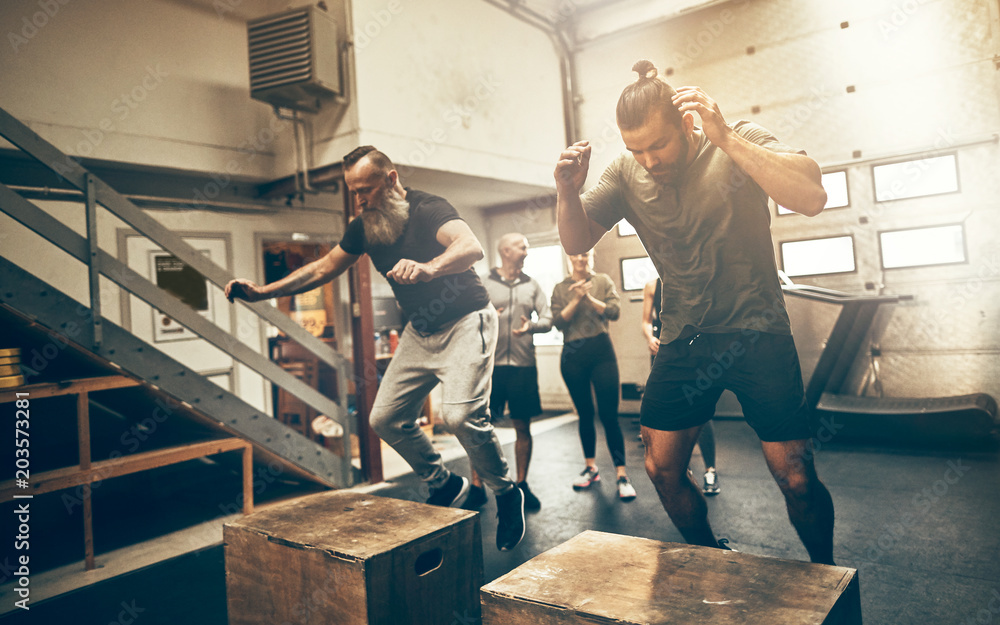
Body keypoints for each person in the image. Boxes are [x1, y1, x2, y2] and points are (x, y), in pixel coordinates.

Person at [554, 60, 836, 564]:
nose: (649, 159)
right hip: (685, 337)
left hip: (758, 331)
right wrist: (566, 192)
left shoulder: (736, 138)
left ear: (686, 124)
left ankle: (826, 571)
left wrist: (725, 136)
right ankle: (710, 554)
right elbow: (576, 238)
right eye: (636, 149)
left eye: (657, 145)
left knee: (795, 477)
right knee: (662, 469)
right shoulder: (626, 171)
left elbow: (812, 196)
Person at [225, 146, 525, 552]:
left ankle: (507, 493)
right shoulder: (364, 227)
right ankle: (442, 481)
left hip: (467, 321)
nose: (360, 199)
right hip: (421, 332)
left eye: (366, 189)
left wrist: (429, 267)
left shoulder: (428, 209)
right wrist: (262, 293)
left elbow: (471, 247)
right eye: (354, 191)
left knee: (459, 416)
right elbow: (320, 268)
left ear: (391, 179)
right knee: (384, 418)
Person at [466, 233, 553, 511]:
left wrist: (533, 327)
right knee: (479, 427)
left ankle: (523, 484)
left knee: (522, 426)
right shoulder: (483, 281)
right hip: (488, 367)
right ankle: (477, 486)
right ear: (505, 250)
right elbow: (466, 317)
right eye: (523, 247)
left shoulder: (532, 285)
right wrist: (487, 314)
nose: (527, 251)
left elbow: (549, 319)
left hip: (523, 367)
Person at [550, 250, 637, 501]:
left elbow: (613, 312)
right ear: (569, 259)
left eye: (585, 254)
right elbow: (558, 321)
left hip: (601, 351)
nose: (581, 258)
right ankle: (591, 469)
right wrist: (576, 299)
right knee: (585, 414)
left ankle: (622, 475)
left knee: (609, 415)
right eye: (576, 255)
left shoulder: (603, 281)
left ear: (592, 256)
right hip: (573, 354)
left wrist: (587, 296)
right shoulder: (560, 288)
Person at [641, 278, 719, 495]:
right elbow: (646, 321)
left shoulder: (695, 276)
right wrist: (650, 337)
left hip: (695, 351)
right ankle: (681, 470)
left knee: (701, 411)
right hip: (664, 353)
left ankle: (710, 470)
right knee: (669, 412)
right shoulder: (652, 286)